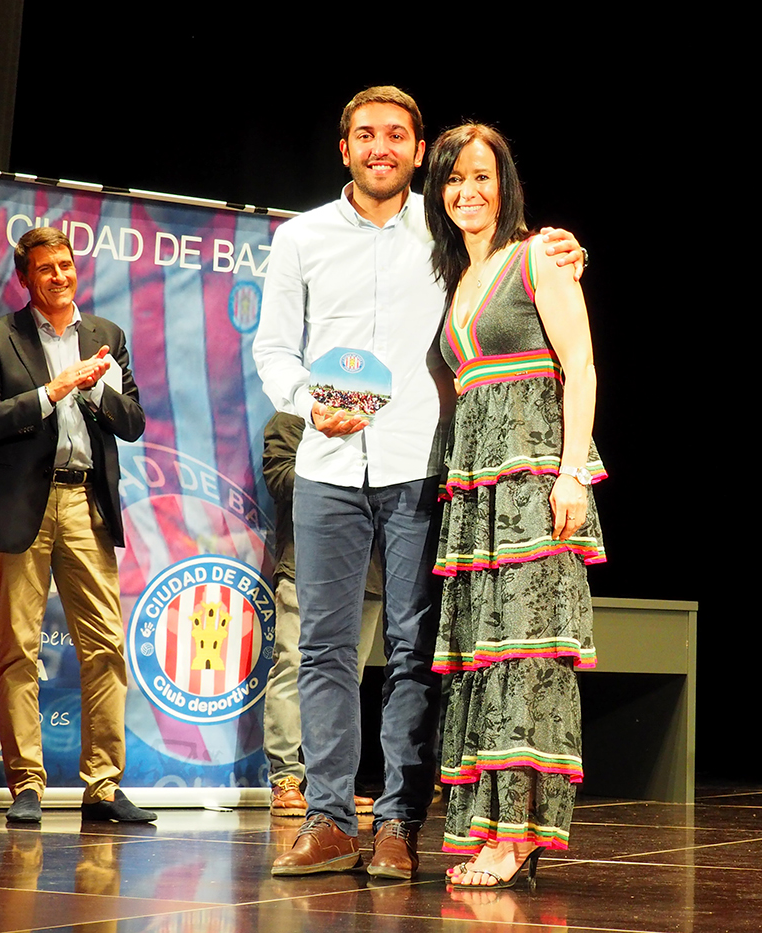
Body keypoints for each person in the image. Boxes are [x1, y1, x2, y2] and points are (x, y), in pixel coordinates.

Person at [252, 86, 584, 880]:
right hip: (327, 466)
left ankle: (398, 823)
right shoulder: (301, 237)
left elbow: (516, 261)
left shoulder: (442, 230)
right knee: (324, 648)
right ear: (344, 148)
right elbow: (273, 350)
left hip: (421, 465)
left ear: (418, 149)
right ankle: (329, 820)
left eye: (396, 135)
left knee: (412, 650)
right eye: (366, 134)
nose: (381, 147)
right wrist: (308, 403)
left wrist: (563, 249)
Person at [422, 123, 606, 890]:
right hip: (476, 495)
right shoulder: (455, 277)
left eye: (481, 176)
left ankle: (520, 834)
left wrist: (572, 475)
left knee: (525, 656)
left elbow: (581, 365)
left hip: (533, 482)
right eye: (453, 178)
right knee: (484, 656)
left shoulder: (539, 256)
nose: (467, 191)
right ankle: (493, 827)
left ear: (506, 185)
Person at [0, 226, 153, 824]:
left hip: (85, 503)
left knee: (105, 647)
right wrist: (52, 391)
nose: (59, 276)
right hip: (22, 507)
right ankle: (27, 785)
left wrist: (94, 393)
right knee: (18, 649)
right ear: (25, 278)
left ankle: (103, 785)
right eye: (45, 268)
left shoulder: (105, 337)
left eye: (65, 264)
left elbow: (134, 422)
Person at [259, 410, 379, 818]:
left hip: (368, 573)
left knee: (347, 679)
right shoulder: (292, 415)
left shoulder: (383, 417)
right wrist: (339, 461)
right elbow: (280, 480)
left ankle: (332, 785)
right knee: (294, 666)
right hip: (305, 567)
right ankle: (286, 778)